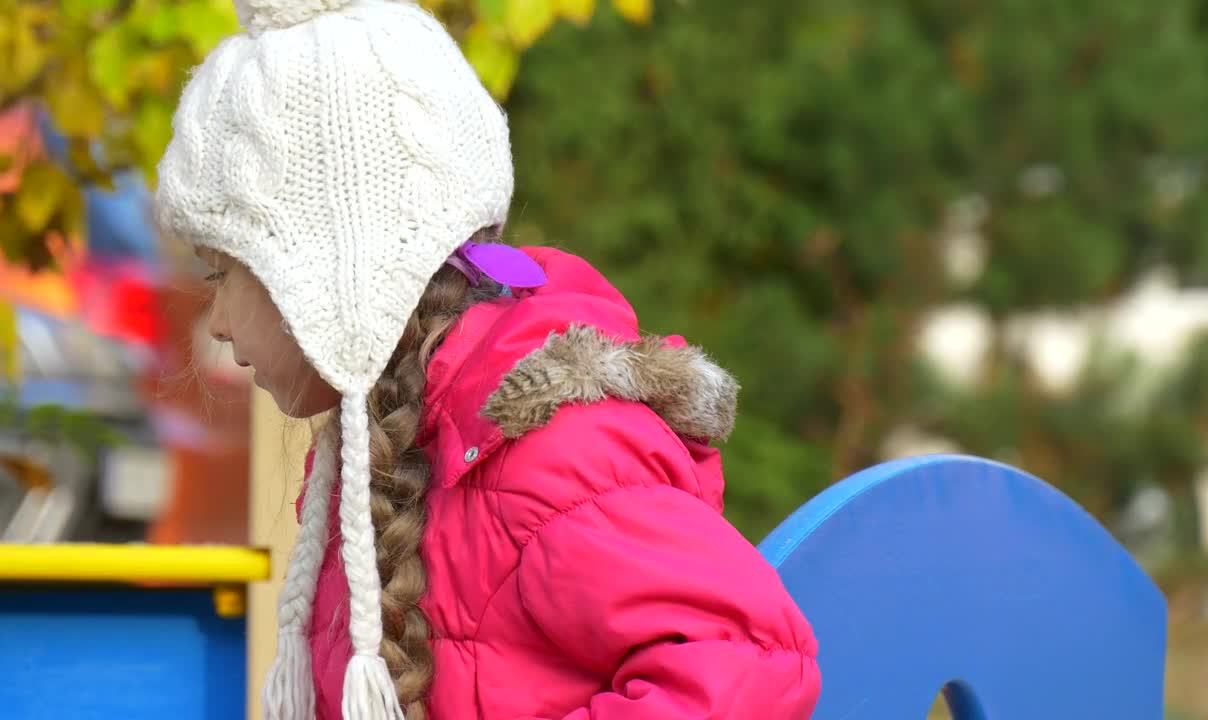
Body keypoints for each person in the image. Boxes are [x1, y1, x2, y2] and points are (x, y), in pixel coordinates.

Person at [154, 0, 821, 718]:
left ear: (326, 268)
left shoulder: (554, 455)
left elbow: (744, 669)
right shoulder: (381, 455)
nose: (217, 323)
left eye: (221, 273)